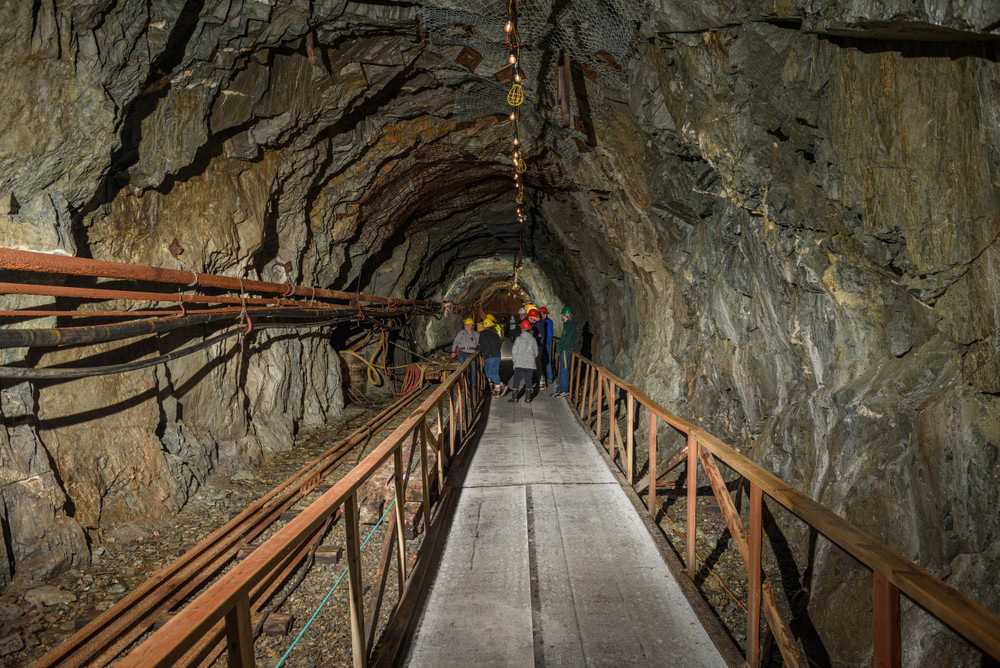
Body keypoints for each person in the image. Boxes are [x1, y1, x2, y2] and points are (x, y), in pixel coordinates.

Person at [509, 319, 538, 403]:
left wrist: (515, 361)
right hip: (530, 364)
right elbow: (536, 352)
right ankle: (528, 398)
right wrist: (531, 358)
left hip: (519, 363)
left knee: (516, 379)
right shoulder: (533, 340)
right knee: (529, 380)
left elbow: (514, 351)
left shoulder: (518, 339)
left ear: (522, 329)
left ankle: (514, 398)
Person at [553, 306, 576, 396]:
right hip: (565, 350)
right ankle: (560, 389)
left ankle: (564, 390)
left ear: (564, 315)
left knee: (565, 370)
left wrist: (559, 348)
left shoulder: (570, 325)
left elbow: (567, 339)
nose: (561, 316)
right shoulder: (568, 324)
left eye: (562, 315)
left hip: (566, 350)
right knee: (562, 369)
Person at [477, 318, 503, 396]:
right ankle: (498, 391)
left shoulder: (483, 334)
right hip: (497, 356)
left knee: (488, 374)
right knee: (496, 373)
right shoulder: (496, 334)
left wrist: (476, 349)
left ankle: (500, 384)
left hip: (489, 356)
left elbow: (483, 345)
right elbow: (499, 344)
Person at [527, 308, 548, 390]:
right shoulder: (539, 323)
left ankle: (541, 381)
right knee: (537, 363)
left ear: (532, 317)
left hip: (538, 346)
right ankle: (539, 380)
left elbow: (539, 336)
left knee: (537, 363)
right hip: (538, 346)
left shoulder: (538, 324)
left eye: (529, 317)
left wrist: (532, 334)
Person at [539, 307, 555, 383]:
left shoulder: (548, 322)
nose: (540, 315)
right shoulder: (541, 321)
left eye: (541, 313)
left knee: (547, 361)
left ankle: (550, 378)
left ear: (545, 314)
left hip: (545, 344)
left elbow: (550, 334)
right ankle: (544, 377)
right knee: (541, 360)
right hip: (542, 343)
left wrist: (544, 342)